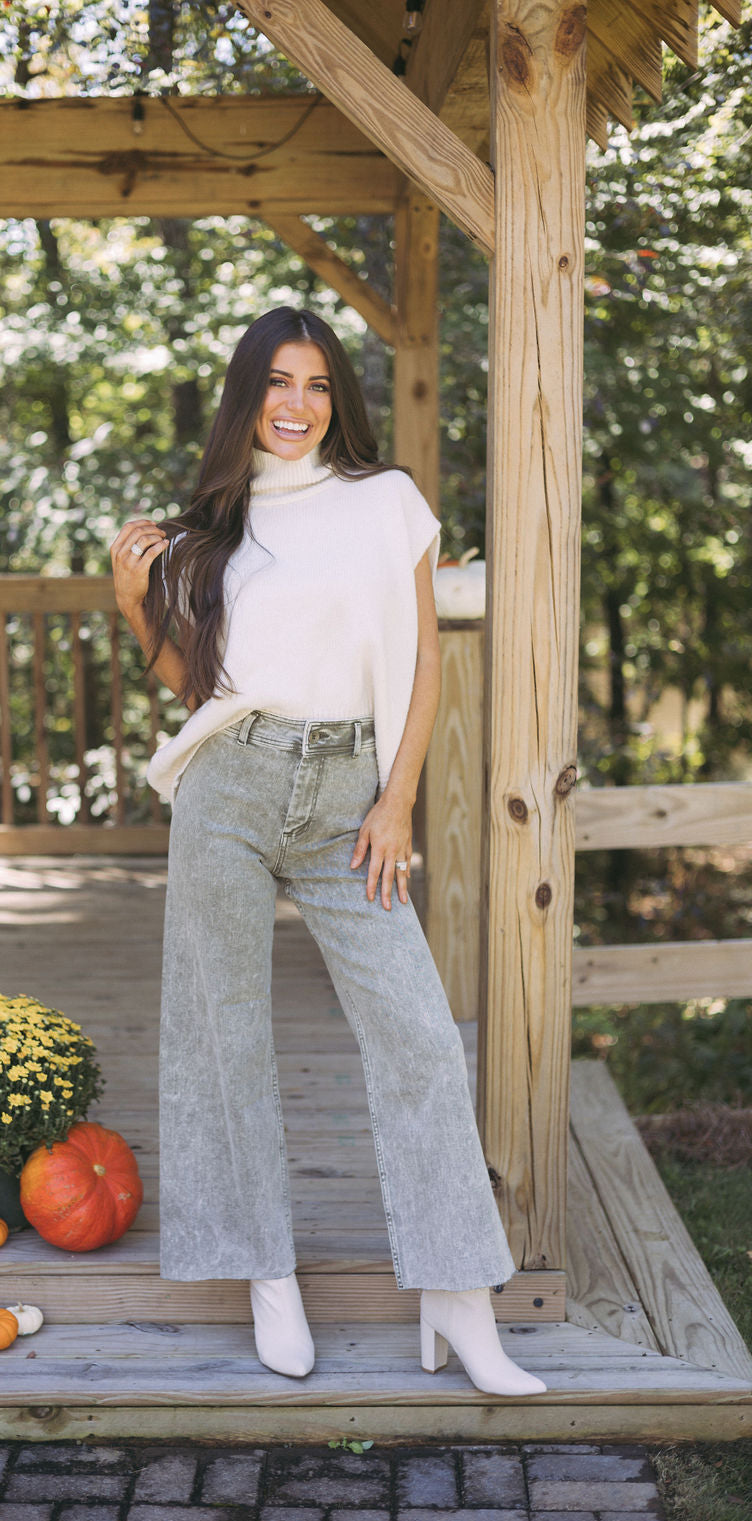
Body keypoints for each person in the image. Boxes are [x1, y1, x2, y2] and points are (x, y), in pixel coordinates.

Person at [110, 306, 546, 1397]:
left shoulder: (385, 503)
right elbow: (200, 694)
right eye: (276, 383)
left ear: (333, 399)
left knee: (418, 1037)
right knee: (225, 1037)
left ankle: (458, 1303)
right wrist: (134, 607)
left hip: (353, 792)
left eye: (314, 385)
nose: (295, 405)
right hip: (228, 787)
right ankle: (266, 1276)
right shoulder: (213, 524)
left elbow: (424, 666)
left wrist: (396, 800)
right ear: (246, 395)